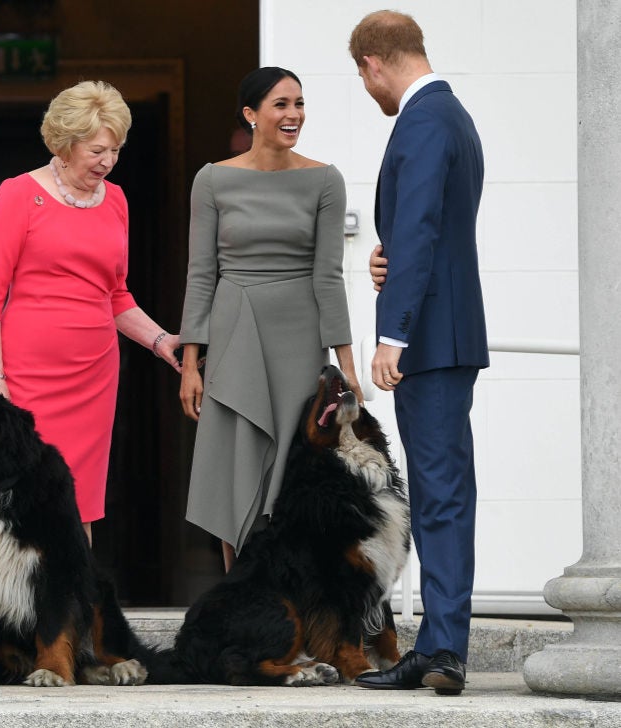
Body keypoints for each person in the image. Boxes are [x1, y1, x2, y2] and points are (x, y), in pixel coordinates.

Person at [0, 80, 180, 544]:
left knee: (79, 498)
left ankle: (74, 607)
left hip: (94, 377)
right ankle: (21, 610)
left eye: (117, 150)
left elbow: (117, 296)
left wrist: (163, 341)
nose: (108, 162)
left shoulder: (118, 201)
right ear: (64, 145)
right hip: (28, 376)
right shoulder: (19, 194)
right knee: (25, 494)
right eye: (98, 150)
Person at [348, 10, 489, 696]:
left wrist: (392, 332)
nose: (366, 88)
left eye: (361, 76)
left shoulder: (425, 118)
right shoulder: (449, 114)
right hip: (445, 330)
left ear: (374, 62)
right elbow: (421, 228)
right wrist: (388, 258)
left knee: (438, 496)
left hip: (431, 338)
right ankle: (439, 648)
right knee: (442, 492)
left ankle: (441, 650)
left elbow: (426, 223)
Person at [178, 67, 362, 573]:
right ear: (250, 114)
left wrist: (346, 367)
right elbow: (200, 274)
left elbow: (329, 276)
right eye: (281, 104)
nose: (293, 115)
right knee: (235, 467)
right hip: (234, 332)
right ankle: (240, 599)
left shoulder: (325, 179)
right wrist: (191, 364)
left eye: (299, 104)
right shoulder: (212, 179)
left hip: (300, 341)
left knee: (294, 473)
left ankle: (295, 604)